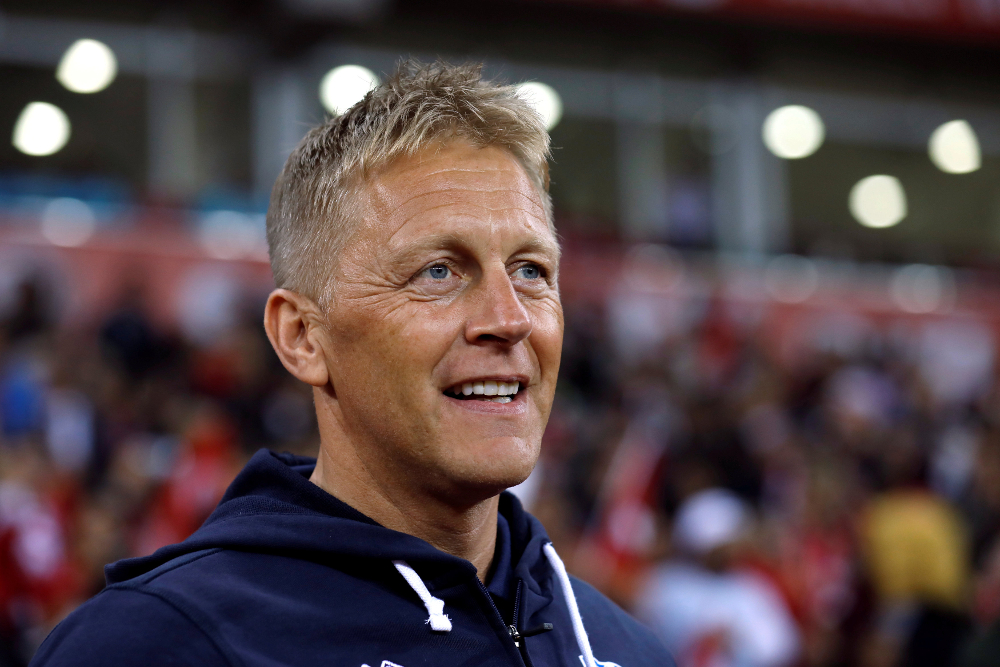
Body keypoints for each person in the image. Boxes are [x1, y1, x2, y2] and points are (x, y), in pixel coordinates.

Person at [30, 61, 673, 667]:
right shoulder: (154, 644)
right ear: (303, 337)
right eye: (440, 271)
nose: (509, 319)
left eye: (531, 271)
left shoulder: (631, 650)